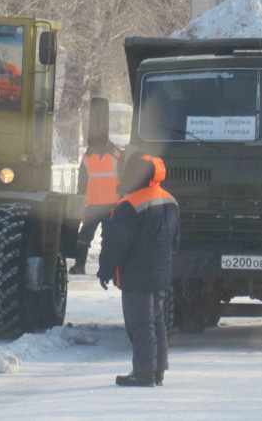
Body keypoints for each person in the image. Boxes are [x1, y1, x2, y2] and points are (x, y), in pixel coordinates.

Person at [98, 153, 180, 388]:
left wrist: (105, 270)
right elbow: (175, 242)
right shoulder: (171, 201)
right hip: (161, 273)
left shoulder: (129, 204)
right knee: (157, 321)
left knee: (140, 323)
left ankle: (143, 374)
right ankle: (157, 370)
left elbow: (115, 243)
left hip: (137, 275)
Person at [70, 98, 122, 275]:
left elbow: (81, 184)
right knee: (91, 238)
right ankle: (102, 268)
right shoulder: (112, 155)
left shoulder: (109, 156)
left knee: (99, 238)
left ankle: (87, 267)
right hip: (98, 205)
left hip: (107, 205)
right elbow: (81, 184)